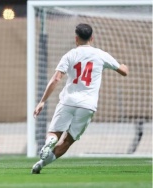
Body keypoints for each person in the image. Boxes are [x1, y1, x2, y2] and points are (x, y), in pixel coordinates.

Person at [31, 23, 128, 174]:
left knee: (54, 133)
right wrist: (124, 65)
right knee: (68, 140)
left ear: (76, 38)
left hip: (68, 101)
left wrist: (42, 101)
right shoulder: (101, 54)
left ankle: (49, 142)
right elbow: (123, 71)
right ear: (92, 38)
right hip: (87, 105)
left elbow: (56, 79)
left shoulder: (70, 55)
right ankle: (41, 164)